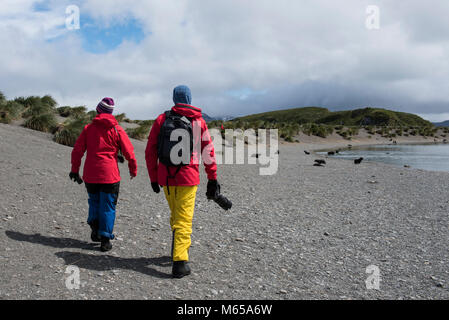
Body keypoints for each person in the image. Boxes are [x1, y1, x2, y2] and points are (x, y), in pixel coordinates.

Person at [145, 85, 219, 278]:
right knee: (184, 218)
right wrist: (212, 178)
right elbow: (208, 152)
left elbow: (150, 150)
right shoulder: (198, 122)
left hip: (166, 177)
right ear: (189, 98)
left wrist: (154, 177)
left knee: (176, 214)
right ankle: (180, 262)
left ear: (174, 99)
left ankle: (176, 247)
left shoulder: (162, 119)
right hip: (188, 177)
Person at [70, 97, 137, 252]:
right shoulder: (117, 129)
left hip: (91, 174)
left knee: (94, 201)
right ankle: (105, 239)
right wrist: (133, 169)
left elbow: (77, 151)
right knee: (108, 206)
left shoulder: (88, 129)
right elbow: (129, 152)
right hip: (110, 175)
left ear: (98, 111)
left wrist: (75, 170)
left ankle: (95, 228)